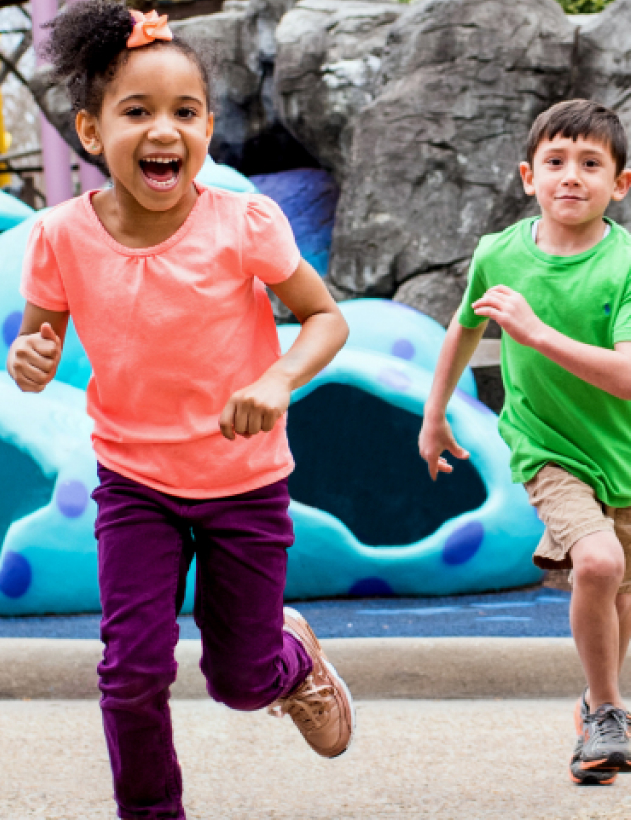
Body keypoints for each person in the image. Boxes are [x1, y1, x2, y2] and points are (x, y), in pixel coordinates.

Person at [5, 3, 353, 817]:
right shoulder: (59, 236)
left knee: (237, 682)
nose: (165, 130)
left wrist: (278, 380)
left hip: (244, 482)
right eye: (138, 112)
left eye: (185, 112)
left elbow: (328, 318)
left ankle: (290, 661)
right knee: (130, 674)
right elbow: (37, 346)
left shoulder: (244, 223)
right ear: (91, 133)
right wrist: (29, 361)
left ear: (205, 129)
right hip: (133, 485)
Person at [418, 99, 631, 786]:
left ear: (619, 184)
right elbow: (463, 330)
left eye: (591, 164)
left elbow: (629, 377)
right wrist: (433, 413)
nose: (572, 177)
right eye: (556, 162)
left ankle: (596, 707)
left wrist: (534, 333)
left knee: (619, 589)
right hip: (547, 446)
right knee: (594, 566)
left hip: (628, 453)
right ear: (528, 176)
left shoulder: (630, 267)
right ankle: (611, 709)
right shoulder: (499, 254)